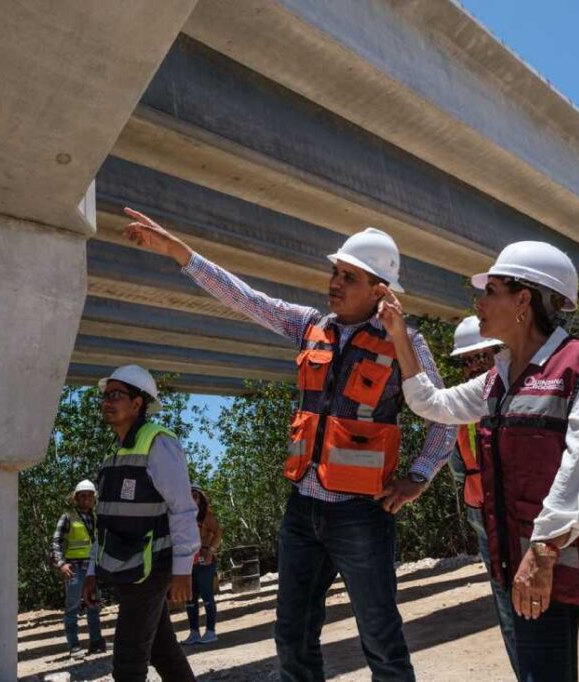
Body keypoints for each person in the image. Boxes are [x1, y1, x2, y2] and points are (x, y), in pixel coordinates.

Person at [122, 207, 455, 681]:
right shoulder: (308, 325)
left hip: (362, 515)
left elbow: (442, 418)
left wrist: (419, 477)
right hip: (303, 511)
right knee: (292, 637)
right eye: (334, 273)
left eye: (349, 277)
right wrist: (180, 252)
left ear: (381, 292)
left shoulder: (406, 343)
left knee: (380, 638)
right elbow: (245, 299)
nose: (334, 283)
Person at [378, 241, 579, 681]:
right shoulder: (498, 378)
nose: (479, 302)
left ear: (523, 300)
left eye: (491, 289)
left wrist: (542, 549)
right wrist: (400, 336)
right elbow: (431, 403)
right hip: (535, 555)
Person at [82, 364, 200, 682]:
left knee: (128, 661)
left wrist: (182, 570)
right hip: (128, 569)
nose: (107, 401)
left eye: (116, 395)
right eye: (105, 395)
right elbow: (103, 523)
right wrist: (92, 571)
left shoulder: (158, 442)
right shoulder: (113, 455)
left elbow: (182, 509)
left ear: (138, 403)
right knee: (163, 651)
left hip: (151, 570)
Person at [445, 316, 517, 674]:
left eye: (481, 356)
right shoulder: (463, 406)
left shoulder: (521, 392)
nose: (473, 365)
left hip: (520, 513)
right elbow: (460, 465)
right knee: (506, 605)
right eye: (468, 360)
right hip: (483, 513)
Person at [52, 479, 106, 657]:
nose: (86, 499)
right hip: (74, 567)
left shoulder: (97, 517)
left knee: (94, 605)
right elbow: (56, 542)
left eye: (90, 496)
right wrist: (61, 564)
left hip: (93, 567)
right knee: (73, 607)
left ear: (94, 498)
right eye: (83, 496)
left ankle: (96, 642)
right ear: (76, 498)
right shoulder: (67, 517)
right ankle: (74, 646)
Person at [181, 486, 222, 646]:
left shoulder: (206, 516)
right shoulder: (184, 516)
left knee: (206, 595)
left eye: (195, 496)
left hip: (205, 560)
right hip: (188, 561)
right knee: (190, 597)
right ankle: (194, 632)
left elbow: (218, 532)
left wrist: (210, 550)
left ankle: (211, 632)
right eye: (189, 496)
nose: (192, 499)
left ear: (201, 499)